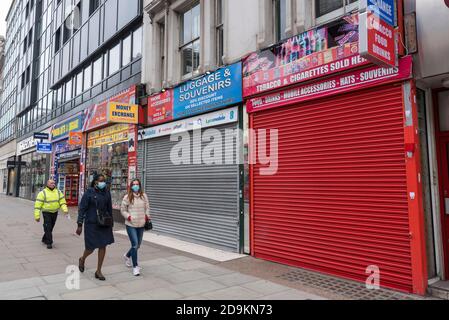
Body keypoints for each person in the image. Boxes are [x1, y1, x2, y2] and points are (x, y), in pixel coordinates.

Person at [76, 174, 115, 281]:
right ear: (95, 182)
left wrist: (111, 222)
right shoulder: (89, 192)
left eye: (104, 181)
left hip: (104, 223)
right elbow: (82, 209)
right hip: (91, 223)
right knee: (90, 247)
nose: (103, 183)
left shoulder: (107, 192)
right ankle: (82, 258)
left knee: (103, 246)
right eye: (100, 181)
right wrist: (79, 224)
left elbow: (109, 208)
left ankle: (98, 271)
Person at [120, 179, 151, 276]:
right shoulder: (127, 197)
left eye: (137, 184)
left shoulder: (144, 196)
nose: (136, 186)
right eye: (134, 184)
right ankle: (135, 267)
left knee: (137, 245)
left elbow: (147, 207)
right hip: (131, 224)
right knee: (134, 245)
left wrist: (147, 216)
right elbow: (123, 210)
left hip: (141, 224)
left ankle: (127, 255)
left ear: (140, 185)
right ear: (131, 186)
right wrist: (129, 217)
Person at [34, 179, 68, 249]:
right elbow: (37, 206)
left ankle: (44, 238)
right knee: (48, 226)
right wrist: (37, 216)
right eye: (51, 183)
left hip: (55, 212)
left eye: (54, 183)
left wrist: (65, 209)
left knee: (50, 227)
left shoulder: (58, 192)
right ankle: (49, 242)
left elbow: (62, 201)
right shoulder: (42, 193)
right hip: (46, 212)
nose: (53, 184)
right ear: (47, 184)